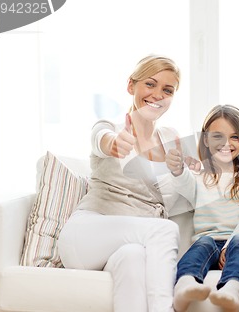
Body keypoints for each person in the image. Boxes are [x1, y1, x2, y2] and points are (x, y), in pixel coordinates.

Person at [57, 54, 192, 312]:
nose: (157, 95)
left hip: (125, 247)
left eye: (167, 89)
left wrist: (179, 173)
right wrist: (114, 143)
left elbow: (183, 199)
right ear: (131, 86)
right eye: (150, 84)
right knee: (164, 230)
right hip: (85, 236)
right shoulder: (112, 127)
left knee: (134, 259)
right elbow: (101, 138)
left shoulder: (171, 138)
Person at [166, 105, 239, 312]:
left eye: (234, 137)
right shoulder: (199, 178)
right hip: (211, 247)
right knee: (203, 242)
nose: (226, 143)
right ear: (205, 140)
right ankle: (185, 284)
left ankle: (232, 289)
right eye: (217, 137)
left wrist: (230, 245)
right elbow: (184, 184)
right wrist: (177, 168)